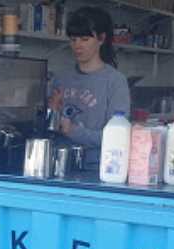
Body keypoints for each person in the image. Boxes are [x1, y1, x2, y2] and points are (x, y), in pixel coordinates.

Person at [48, 7, 131, 169]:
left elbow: (117, 138)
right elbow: (48, 129)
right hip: (58, 164)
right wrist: (52, 112)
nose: (77, 45)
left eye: (85, 39)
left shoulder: (115, 81)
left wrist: (72, 131)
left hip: (96, 168)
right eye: (73, 39)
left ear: (101, 39)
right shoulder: (60, 79)